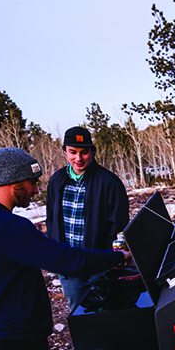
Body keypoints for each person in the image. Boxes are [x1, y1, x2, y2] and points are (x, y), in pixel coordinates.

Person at [0, 147, 129, 350]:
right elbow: (66, 259)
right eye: (32, 182)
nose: (36, 190)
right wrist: (117, 258)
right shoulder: (7, 226)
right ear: (14, 182)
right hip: (14, 344)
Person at [45, 126, 130, 311]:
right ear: (65, 151)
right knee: (78, 313)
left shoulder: (109, 182)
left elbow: (119, 226)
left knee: (105, 312)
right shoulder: (56, 181)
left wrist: (110, 257)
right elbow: (51, 219)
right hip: (67, 264)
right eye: (73, 152)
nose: (78, 158)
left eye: (84, 152)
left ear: (92, 151)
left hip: (97, 265)